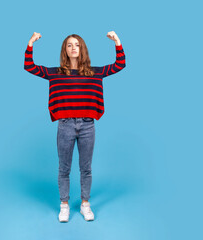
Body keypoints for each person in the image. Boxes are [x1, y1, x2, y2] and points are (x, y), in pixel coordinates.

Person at [24, 31, 126, 222]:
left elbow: (119, 65)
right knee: (64, 169)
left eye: (77, 45)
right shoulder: (56, 73)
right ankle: (64, 206)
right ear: (65, 50)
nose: (73, 48)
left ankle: (85, 205)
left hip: (87, 124)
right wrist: (30, 44)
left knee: (85, 168)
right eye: (69, 45)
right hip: (65, 125)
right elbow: (29, 66)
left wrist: (117, 42)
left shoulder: (94, 72)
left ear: (82, 49)